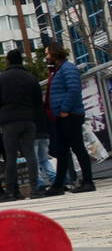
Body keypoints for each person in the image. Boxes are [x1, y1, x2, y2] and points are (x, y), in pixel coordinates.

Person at [0, 49, 43, 202]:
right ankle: (35, 188)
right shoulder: (30, 78)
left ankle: (11, 191)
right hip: (28, 119)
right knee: (30, 154)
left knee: (11, 156)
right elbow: (38, 101)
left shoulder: (1, 79)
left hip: (9, 121)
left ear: (8, 61)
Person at [43, 42, 96, 194]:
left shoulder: (68, 68)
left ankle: (88, 181)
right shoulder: (58, 70)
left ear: (54, 54)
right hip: (61, 115)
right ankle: (59, 184)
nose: (46, 57)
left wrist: (65, 109)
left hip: (70, 115)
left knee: (78, 147)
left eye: (47, 54)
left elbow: (74, 89)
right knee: (62, 150)